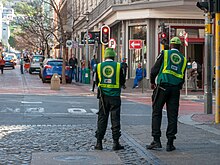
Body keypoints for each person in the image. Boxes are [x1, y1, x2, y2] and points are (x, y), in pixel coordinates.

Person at [147, 36, 187, 152]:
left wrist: (152, 81)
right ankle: (170, 143)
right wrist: (177, 87)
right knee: (172, 115)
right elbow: (182, 77)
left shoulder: (165, 53)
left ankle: (156, 140)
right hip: (175, 89)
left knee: (156, 112)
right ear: (180, 47)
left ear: (171, 45)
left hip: (163, 86)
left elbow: (154, 69)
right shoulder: (183, 59)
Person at [94, 48, 126, 151]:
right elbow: (122, 80)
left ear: (105, 56)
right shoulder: (118, 66)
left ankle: (99, 143)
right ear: (113, 56)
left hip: (103, 97)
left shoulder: (99, 66)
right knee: (115, 119)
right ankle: (116, 143)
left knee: (102, 118)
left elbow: (96, 80)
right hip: (115, 96)